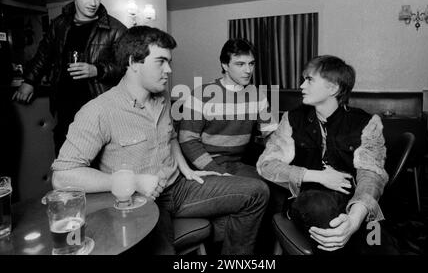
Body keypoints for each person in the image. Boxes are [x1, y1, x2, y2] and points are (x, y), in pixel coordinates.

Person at [51, 26, 269, 255]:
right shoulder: (98, 111)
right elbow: (63, 176)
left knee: (258, 192)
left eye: (169, 61)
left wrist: (187, 170)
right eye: (161, 61)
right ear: (133, 62)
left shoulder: (163, 97)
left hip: (179, 188)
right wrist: (133, 182)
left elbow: (172, 137)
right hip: (142, 200)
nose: (169, 69)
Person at [257, 55, 398, 254]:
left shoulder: (366, 122)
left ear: (333, 88)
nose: (301, 85)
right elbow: (266, 165)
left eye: (310, 80)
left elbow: (372, 176)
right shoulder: (292, 118)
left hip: (355, 205)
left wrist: (355, 219)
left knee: (379, 244)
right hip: (307, 201)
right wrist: (317, 176)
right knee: (320, 208)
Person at [12, 0, 126, 156]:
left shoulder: (116, 29)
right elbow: (44, 54)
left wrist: (97, 70)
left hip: (98, 109)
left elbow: (128, 68)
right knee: (64, 160)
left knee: (97, 164)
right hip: (65, 107)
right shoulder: (59, 24)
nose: (93, 3)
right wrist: (29, 81)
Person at [179, 38, 278, 179]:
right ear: (225, 65)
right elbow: (188, 140)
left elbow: (271, 134)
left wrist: (276, 157)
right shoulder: (201, 94)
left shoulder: (257, 95)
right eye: (240, 64)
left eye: (251, 64)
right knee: (259, 189)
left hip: (237, 166)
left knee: (278, 188)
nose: (248, 70)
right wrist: (218, 172)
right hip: (203, 168)